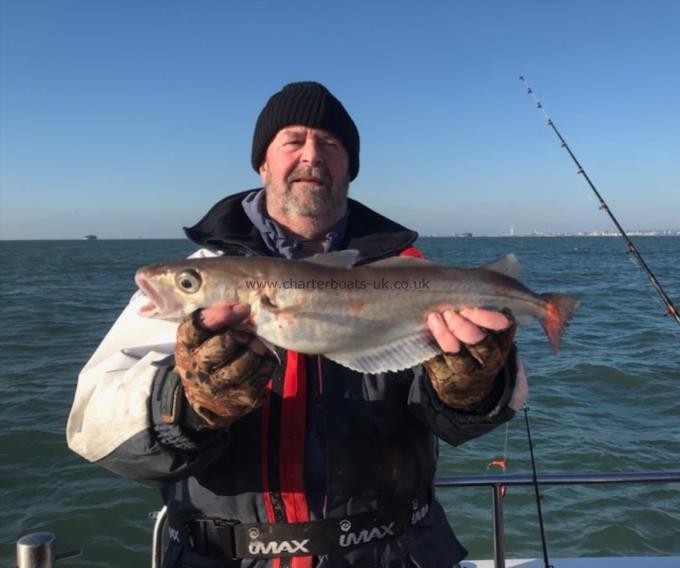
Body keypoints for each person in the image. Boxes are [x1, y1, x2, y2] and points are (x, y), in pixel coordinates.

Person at [67, 81, 528, 568]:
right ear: (263, 162)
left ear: (350, 168)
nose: (312, 155)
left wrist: (475, 385)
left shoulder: (410, 275)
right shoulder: (200, 276)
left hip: (396, 553)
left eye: (330, 145)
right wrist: (183, 404)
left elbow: (474, 414)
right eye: (293, 140)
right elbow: (91, 428)